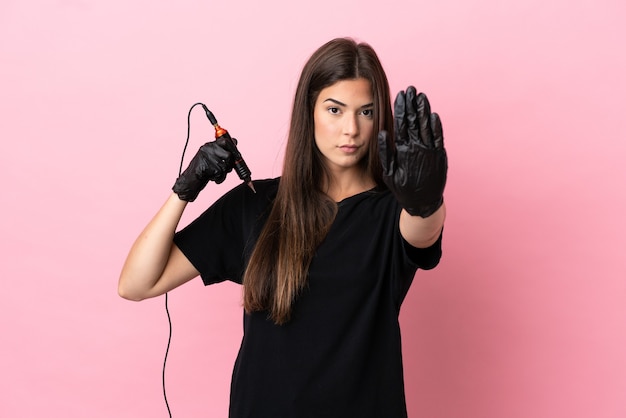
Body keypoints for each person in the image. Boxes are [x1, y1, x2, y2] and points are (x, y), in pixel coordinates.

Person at [118, 37, 448, 418]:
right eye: (335, 110)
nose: (351, 129)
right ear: (309, 111)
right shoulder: (257, 203)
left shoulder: (394, 212)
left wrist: (426, 200)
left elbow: (423, 233)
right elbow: (136, 284)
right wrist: (186, 187)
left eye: (366, 112)